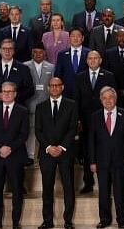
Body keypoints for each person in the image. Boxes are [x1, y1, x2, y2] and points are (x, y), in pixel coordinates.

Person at [35, 77, 78, 229]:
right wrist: (49, 147)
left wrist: (61, 147)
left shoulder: (71, 105)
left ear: (62, 87)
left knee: (68, 187)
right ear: (48, 88)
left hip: (65, 152)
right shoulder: (40, 107)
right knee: (47, 187)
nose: (54, 88)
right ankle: (47, 221)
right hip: (47, 153)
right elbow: (38, 131)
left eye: (57, 85)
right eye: (51, 86)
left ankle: (67, 221)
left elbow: (73, 128)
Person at [89, 86, 124, 229]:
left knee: (120, 192)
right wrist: (92, 161)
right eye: (105, 98)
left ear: (116, 99)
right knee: (103, 192)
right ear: (101, 100)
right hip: (101, 161)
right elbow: (91, 141)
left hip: (120, 160)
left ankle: (121, 220)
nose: (108, 101)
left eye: (111, 97)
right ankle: (104, 219)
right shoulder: (95, 116)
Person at [0, 82, 29, 229]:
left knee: (17, 190)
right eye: (4, 91)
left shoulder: (23, 111)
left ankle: (15, 222)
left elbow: (24, 134)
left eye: (10, 91)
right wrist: (0, 148)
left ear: (15, 94)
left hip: (15, 156)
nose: (7, 94)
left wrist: (10, 147)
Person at [74, 51, 116, 193]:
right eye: (90, 58)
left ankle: (108, 182)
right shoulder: (80, 77)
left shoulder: (109, 76)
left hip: (104, 120)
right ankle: (88, 183)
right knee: (87, 152)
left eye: (95, 58)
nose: (92, 61)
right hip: (85, 121)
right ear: (86, 61)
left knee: (106, 151)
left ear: (100, 60)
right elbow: (76, 100)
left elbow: (114, 100)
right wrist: (77, 119)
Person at [24, 44, 54, 166]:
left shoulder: (51, 67)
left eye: (40, 52)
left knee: (45, 131)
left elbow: (53, 86)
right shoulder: (25, 66)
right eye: (35, 52)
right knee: (30, 131)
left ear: (45, 53)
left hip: (45, 105)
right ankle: (30, 156)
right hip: (29, 103)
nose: (37, 54)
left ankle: (44, 154)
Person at [0, 39, 34, 107]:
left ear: (14, 51)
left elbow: (30, 90)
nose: (7, 51)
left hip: (17, 109)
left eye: (10, 48)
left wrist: (14, 96)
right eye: (4, 48)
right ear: (0, 51)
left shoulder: (23, 68)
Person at [53, 27, 90, 98]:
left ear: (83, 38)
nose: (75, 38)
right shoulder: (62, 54)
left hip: (85, 91)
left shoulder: (89, 53)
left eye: (78, 36)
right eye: (73, 36)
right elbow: (58, 74)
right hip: (66, 92)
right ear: (69, 38)